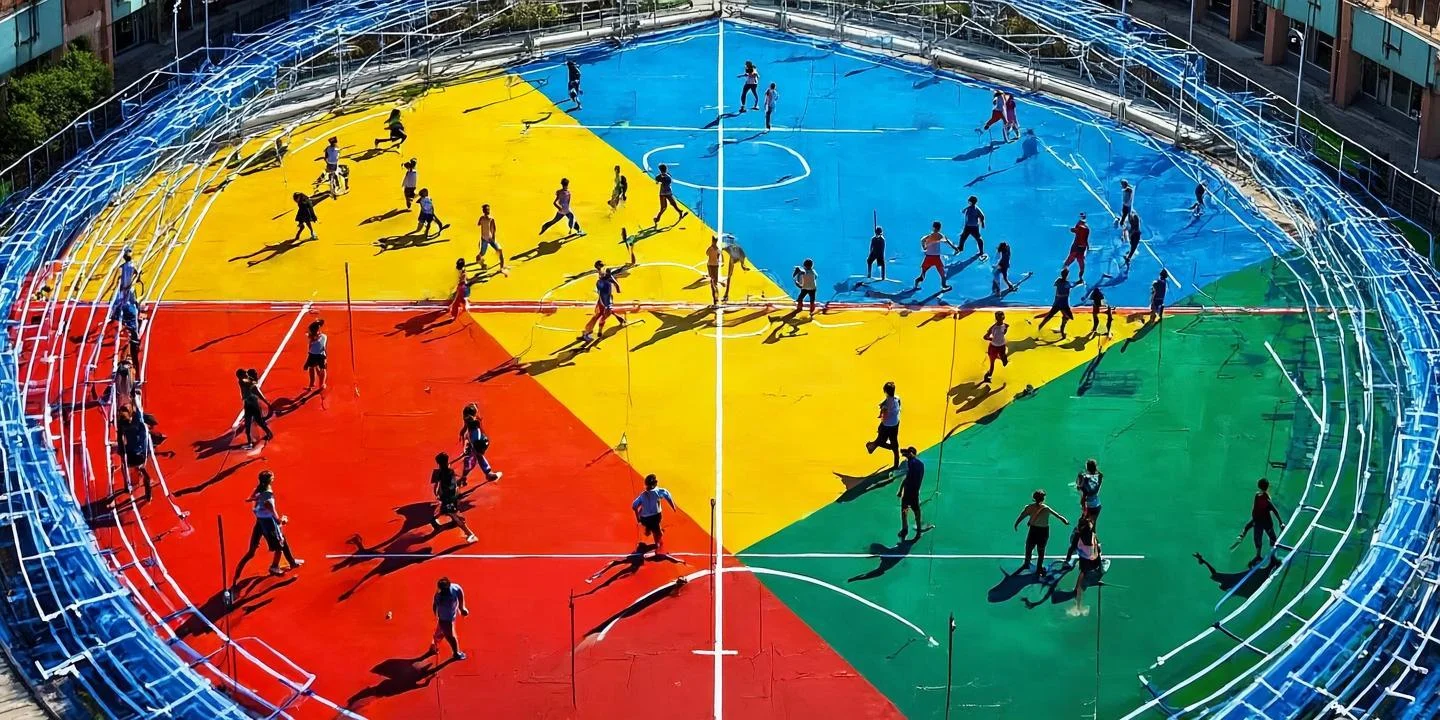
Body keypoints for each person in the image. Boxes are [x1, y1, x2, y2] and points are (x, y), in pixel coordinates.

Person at [231, 470, 304, 588]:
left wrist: (257, 500)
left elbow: (249, 499)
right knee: (279, 545)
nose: (274, 478)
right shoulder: (268, 499)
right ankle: (274, 567)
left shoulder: (258, 489)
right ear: (269, 481)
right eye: (272, 477)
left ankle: (291, 561)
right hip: (268, 523)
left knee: (254, 550)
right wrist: (283, 520)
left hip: (260, 521)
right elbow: (276, 517)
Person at [1014, 489, 1068, 576]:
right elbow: (1058, 516)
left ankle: (1026, 563)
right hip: (1043, 531)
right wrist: (1064, 520)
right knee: (1041, 550)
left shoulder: (1029, 507)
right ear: (1043, 499)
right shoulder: (1046, 508)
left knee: (1029, 547)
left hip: (1033, 530)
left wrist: (1016, 524)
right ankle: (1039, 568)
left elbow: (1022, 516)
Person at [1232, 478, 1285, 566]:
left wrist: (1280, 523)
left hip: (1258, 521)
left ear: (1259, 486)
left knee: (1257, 537)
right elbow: (1275, 511)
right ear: (1267, 487)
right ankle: (1272, 557)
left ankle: (1258, 555)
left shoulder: (1258, 497)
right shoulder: (1265, 499)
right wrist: (1281, 523)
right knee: (1272, 539)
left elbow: (1259, 510)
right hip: (1264, 522)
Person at [429, 452, 477, 543]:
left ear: (438, 463)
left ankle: (469, 534)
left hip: (447, 497)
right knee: (454, 514)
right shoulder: (451, 471)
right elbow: (453, 485)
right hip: (452, 497)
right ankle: (469, 534)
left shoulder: (437, 472)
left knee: (450, 512)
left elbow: (436, 486)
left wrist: (437, 495)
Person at [1063, 517, 1104, 614]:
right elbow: (1098, 551)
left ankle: (1078, 606)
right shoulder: (1092, 536)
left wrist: (1067, 560)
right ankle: (1078, 604)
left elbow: (1071, 548)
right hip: (1092, 561)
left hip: (1085, 562)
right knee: (1082, 581)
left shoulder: (1078, 535)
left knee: (1080, 584)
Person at [632, 474, 678, 556]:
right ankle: (658, 548)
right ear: (655, 483)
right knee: (658, 533)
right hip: (655, 517)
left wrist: (638, 518)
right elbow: (668, 496)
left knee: (642, 509)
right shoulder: (659, 491)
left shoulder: (642, 495)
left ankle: (648, 529)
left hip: (644, 519)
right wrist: (673, 507)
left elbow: (634, 506)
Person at [115, 405, 154, 500]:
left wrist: (121, 451)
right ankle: (145, 485)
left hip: (133, 452)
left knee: (127, 466)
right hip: (137, 452)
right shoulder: (135, 420)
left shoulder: (123, 423)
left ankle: (128, 485)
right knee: (141, 467)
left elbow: (120, 439)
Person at [581, 261, 625, 342]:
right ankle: (591, 332)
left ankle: (588, 332)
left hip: (604, 299)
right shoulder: (603, 280)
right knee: (602, 316)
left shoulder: (602, 278)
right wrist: (617, 288)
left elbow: (613, 282)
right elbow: (614, 283)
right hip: (605, 301)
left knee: (599, 315)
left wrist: (617, 286)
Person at [458, 403, 502, 484]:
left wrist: (470, 444)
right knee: (475, 457)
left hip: (477, 443)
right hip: (477, 443)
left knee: (474, 458)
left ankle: (465, 477)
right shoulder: (473, 421)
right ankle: (487, 474)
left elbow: (472, 432)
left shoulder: (471, 421)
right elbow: (473, 432)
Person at [428, 577, 470, 661]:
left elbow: (460, 594)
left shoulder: (455, 588)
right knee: (450, 636)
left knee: (441, 632)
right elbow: (434, 605)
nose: (441, 592)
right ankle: (456, 653)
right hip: (444, 619)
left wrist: (462, 608)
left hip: (449, 616)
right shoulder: (439, 595)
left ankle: (433, 646)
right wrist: (436, 616)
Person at [864, 381, 901, 469]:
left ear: (885, 392)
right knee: (894, 444)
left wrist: (881, 413)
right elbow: (893, 403)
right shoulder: (897, 399)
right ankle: (896, 464)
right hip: (895, 424)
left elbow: (884, 415)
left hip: (886, 425)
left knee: (881, 441)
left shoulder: (886, 405)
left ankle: (871, 445)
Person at [914, 221, 955, 292]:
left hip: (928, 257)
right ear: (940, 228)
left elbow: (922, 240)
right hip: (936, 258)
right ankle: (944, 286)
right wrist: (954, 247)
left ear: (933, 227)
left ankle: (916, 283)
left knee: (923, 274)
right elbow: (947, 241)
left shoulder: (929, 236)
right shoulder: (940, 235)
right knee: (942, 274)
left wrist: (924, 247)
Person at [897, 447, 928, 539]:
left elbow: (908, 478)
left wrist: (900, 490)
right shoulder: (920, 464)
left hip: (909, 492)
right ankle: (918, 530)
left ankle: (905, 529)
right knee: (916, 511)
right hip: (915, 492)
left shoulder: (912, 463)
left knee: (905, 510)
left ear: (911, 453)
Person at [237, 368, 273, 449]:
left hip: (251, 404)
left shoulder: (245, 382)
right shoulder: (244, 381)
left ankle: (252, 442)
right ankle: (267, 434)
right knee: (254, 422)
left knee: (252, 422)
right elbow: (253, 386)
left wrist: (266, 401)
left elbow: (255, 390)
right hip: (250, 403)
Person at [1037, 267, 1076, 337]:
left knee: (1050, 316)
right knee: (1066, 317)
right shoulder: (1065, 283)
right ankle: (1061, 331)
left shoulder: (1059, 281)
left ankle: (1040, 328)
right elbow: (1072, 285)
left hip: (1059, 303)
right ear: (1067, 275)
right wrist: (1079, 281)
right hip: (1062, 304)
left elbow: (1057, 284)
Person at [476, 204, 505, 271]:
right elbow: (479, 224)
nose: (488, 211)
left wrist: (493, 237)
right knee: (481, 254)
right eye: (486, 210)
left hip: (490, 238)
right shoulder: (483, 218)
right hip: (484, 239)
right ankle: (482, 265)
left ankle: (501, 268)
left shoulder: (490, 219)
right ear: (484, 211)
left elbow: (494, 229)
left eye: (488, 209)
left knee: (500, 250)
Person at [983, 310, 1009, 383]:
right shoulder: (993, 328)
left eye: (1002, 317)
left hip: (1002, 346)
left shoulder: (1005, 325)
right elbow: (985, 337)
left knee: (1004, 361)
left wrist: (1006, 329)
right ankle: (987, 377)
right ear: (997, 318)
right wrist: (992, 339)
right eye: (999, 317)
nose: (1001, 319)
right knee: (992, 364)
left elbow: (1003, 332)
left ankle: (1001, 358)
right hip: (993, 347)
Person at [1076, 459, 1103, 526]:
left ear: (1087, 468)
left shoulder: (1084, 478)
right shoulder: (1099, 476)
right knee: (1092, 525)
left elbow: (1079, 488)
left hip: (1087, 505)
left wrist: (1079, 477)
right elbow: (1097, 489)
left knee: (1083, 525)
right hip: (1097, 504)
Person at [1064, 213, 1089, 281]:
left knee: (1070, 261)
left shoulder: (1081, 227)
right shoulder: (1086, 228)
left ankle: (1065, 274)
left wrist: (1072, 229)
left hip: (1077, 247)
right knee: (1080, 264)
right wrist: (1087, 246)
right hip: (1081, 248)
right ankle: (1080, 278)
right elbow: (1085, 239)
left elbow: (1073, 230)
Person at [303, 319, 327, 391]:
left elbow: (310, 352)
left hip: (313, 356)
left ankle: (311, 384)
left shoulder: (312, 341)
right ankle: (322, 384)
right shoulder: (324, 337)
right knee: (323, 369)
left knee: (311, 368)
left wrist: (306, 364)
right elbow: (324, 347)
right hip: (321, 356)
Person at [706, 236, 723, 305]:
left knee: (712, 281)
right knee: (714, 282)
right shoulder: (718, 249)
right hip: (715, 265)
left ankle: (715, 297)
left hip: (710, 265)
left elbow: (707, 254)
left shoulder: (710, 248)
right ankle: (716, 297)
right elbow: (718, 257)